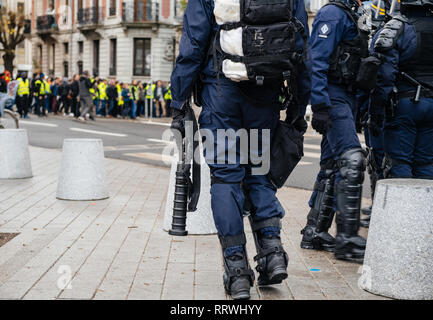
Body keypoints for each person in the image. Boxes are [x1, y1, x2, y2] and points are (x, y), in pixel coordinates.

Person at [170, 0, 311, 299]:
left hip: (221, 94)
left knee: (226, 179)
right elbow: (301, 48)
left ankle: (237, 274)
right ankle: (272, 254)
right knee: (259, 173)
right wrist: (299, 105)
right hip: (265, 92)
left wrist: (178, 100)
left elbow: (193, 44)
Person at [300, 0, 370, 263]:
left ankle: (314, 231)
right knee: (352, 160)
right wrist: (319, 103)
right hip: (333, 97)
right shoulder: (333, 13)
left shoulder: (352, 13)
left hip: (346, 98)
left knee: (331, 165)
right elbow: (316, 60)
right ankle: (346, 239)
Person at [369, 0, 433, 180]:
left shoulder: (398, 27)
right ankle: (425, 208)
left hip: (405, 105)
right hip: (431, 106)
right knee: (426, 164)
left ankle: (402, 208)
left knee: (399, 164)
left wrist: (375, 114)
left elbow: (384, 77)